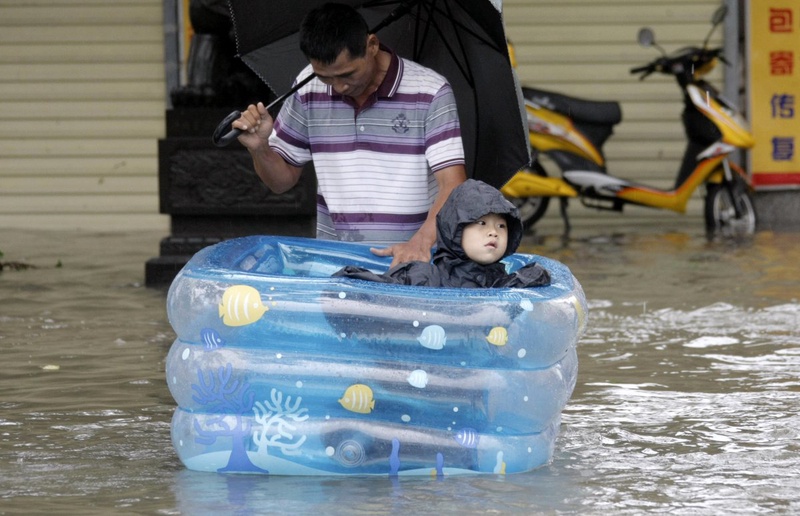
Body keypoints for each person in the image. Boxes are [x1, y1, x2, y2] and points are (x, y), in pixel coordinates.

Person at [233, 2, 467, 267]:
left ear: (372, 45)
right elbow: (281, 182)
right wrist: (260, 148)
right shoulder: (307, 87)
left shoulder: (430, 91)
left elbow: (453, 184)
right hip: (335, 262)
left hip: (412, 263)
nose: (339, 86)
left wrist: (420, 242)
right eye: (326, 77)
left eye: (348, 74)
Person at [332, 179, 551, 288]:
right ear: (454, 230)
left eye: (501, 226)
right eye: (482, 223)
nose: (493, 233)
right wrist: (351, 280)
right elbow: (375, 292)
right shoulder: (423, 277)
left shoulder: (502, 283)